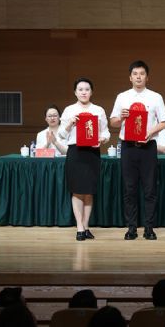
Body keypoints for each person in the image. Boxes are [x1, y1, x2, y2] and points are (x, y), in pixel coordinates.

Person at [109, 60, 165, 241]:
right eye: (135, 74)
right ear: (130, 77)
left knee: (150, 189)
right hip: (128, 147)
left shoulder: (156, 97)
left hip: (148, 147)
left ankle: (149, 228)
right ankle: (131, 228)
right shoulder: (122, 97)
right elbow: (113, 122)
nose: (138, 77)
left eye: (142, 74)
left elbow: (164, 122)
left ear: (147, 77)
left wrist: (150, 132)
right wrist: (121, 118)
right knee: (129, 189)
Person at [57, 78, 110, 241]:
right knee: (77, 190)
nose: (84, 92)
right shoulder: (69, 110)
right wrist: (70, 124)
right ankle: (79, 227)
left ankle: (86, 226)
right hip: (76, 152)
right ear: (75, 92)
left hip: (92, 152)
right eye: (80, 89)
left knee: (89, 190)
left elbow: (106, 132)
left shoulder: (98, 110)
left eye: (87, 89)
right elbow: (61, 135)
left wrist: (103, 138)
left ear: (91, 92)